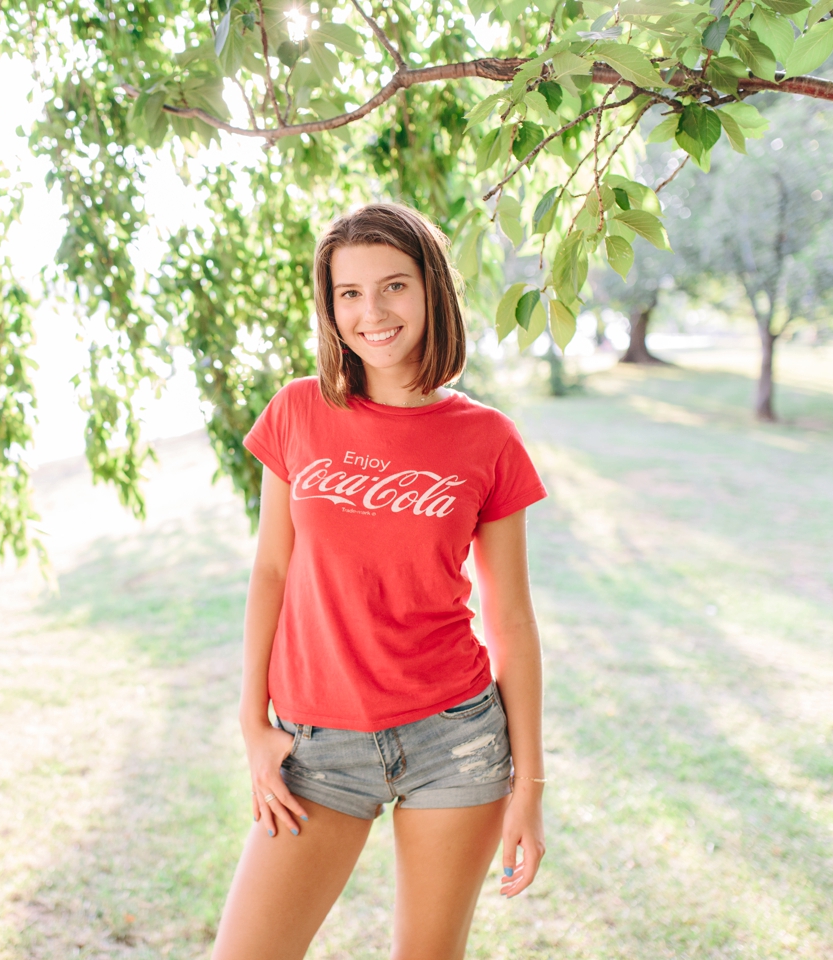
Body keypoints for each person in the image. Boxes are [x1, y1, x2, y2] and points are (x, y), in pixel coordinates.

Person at [211, 203, 548, 960]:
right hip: (316, 746)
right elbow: (270, 570)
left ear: (431, 291)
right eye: (349, 293)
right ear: (329, 307)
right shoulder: (298, 411)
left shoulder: (488, 439)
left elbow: (512, 620)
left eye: (394, 286)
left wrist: (529, 785)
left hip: (455, 742)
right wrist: (252, 722)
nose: (373, 312)